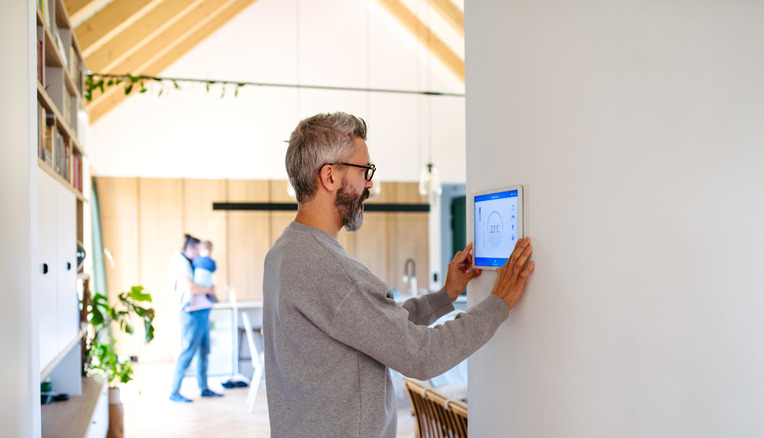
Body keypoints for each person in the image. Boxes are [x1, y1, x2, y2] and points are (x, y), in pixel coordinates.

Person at [262, 112, 536, 437]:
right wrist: (498, 302)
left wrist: (445, 294)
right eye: (364, 170)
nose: (369, 183)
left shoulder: (283, 252)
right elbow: (423, 356)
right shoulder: (329, 267)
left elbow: (375, 327)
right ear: (330, 177)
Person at [168, 234, 223, 402]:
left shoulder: (192, 262)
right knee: (188, 351)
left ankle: (204, 387)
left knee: (203, 352)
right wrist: (208, 290)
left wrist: (208, 289)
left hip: (202, 311)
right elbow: (191, 288)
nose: (201, 254)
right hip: (191, 313)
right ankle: (174, 391)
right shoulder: (181, 263)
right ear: (191, 248)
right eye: (199, 250)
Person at [192, 240, 218, 304]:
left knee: (194, 295)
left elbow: (193, 267)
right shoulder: (212, 262)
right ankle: (214, 300)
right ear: (211, 251)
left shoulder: (196, 259)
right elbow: (214, 269)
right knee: (210, 294)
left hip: (197, 284)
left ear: (200, 250)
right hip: (208, 285)